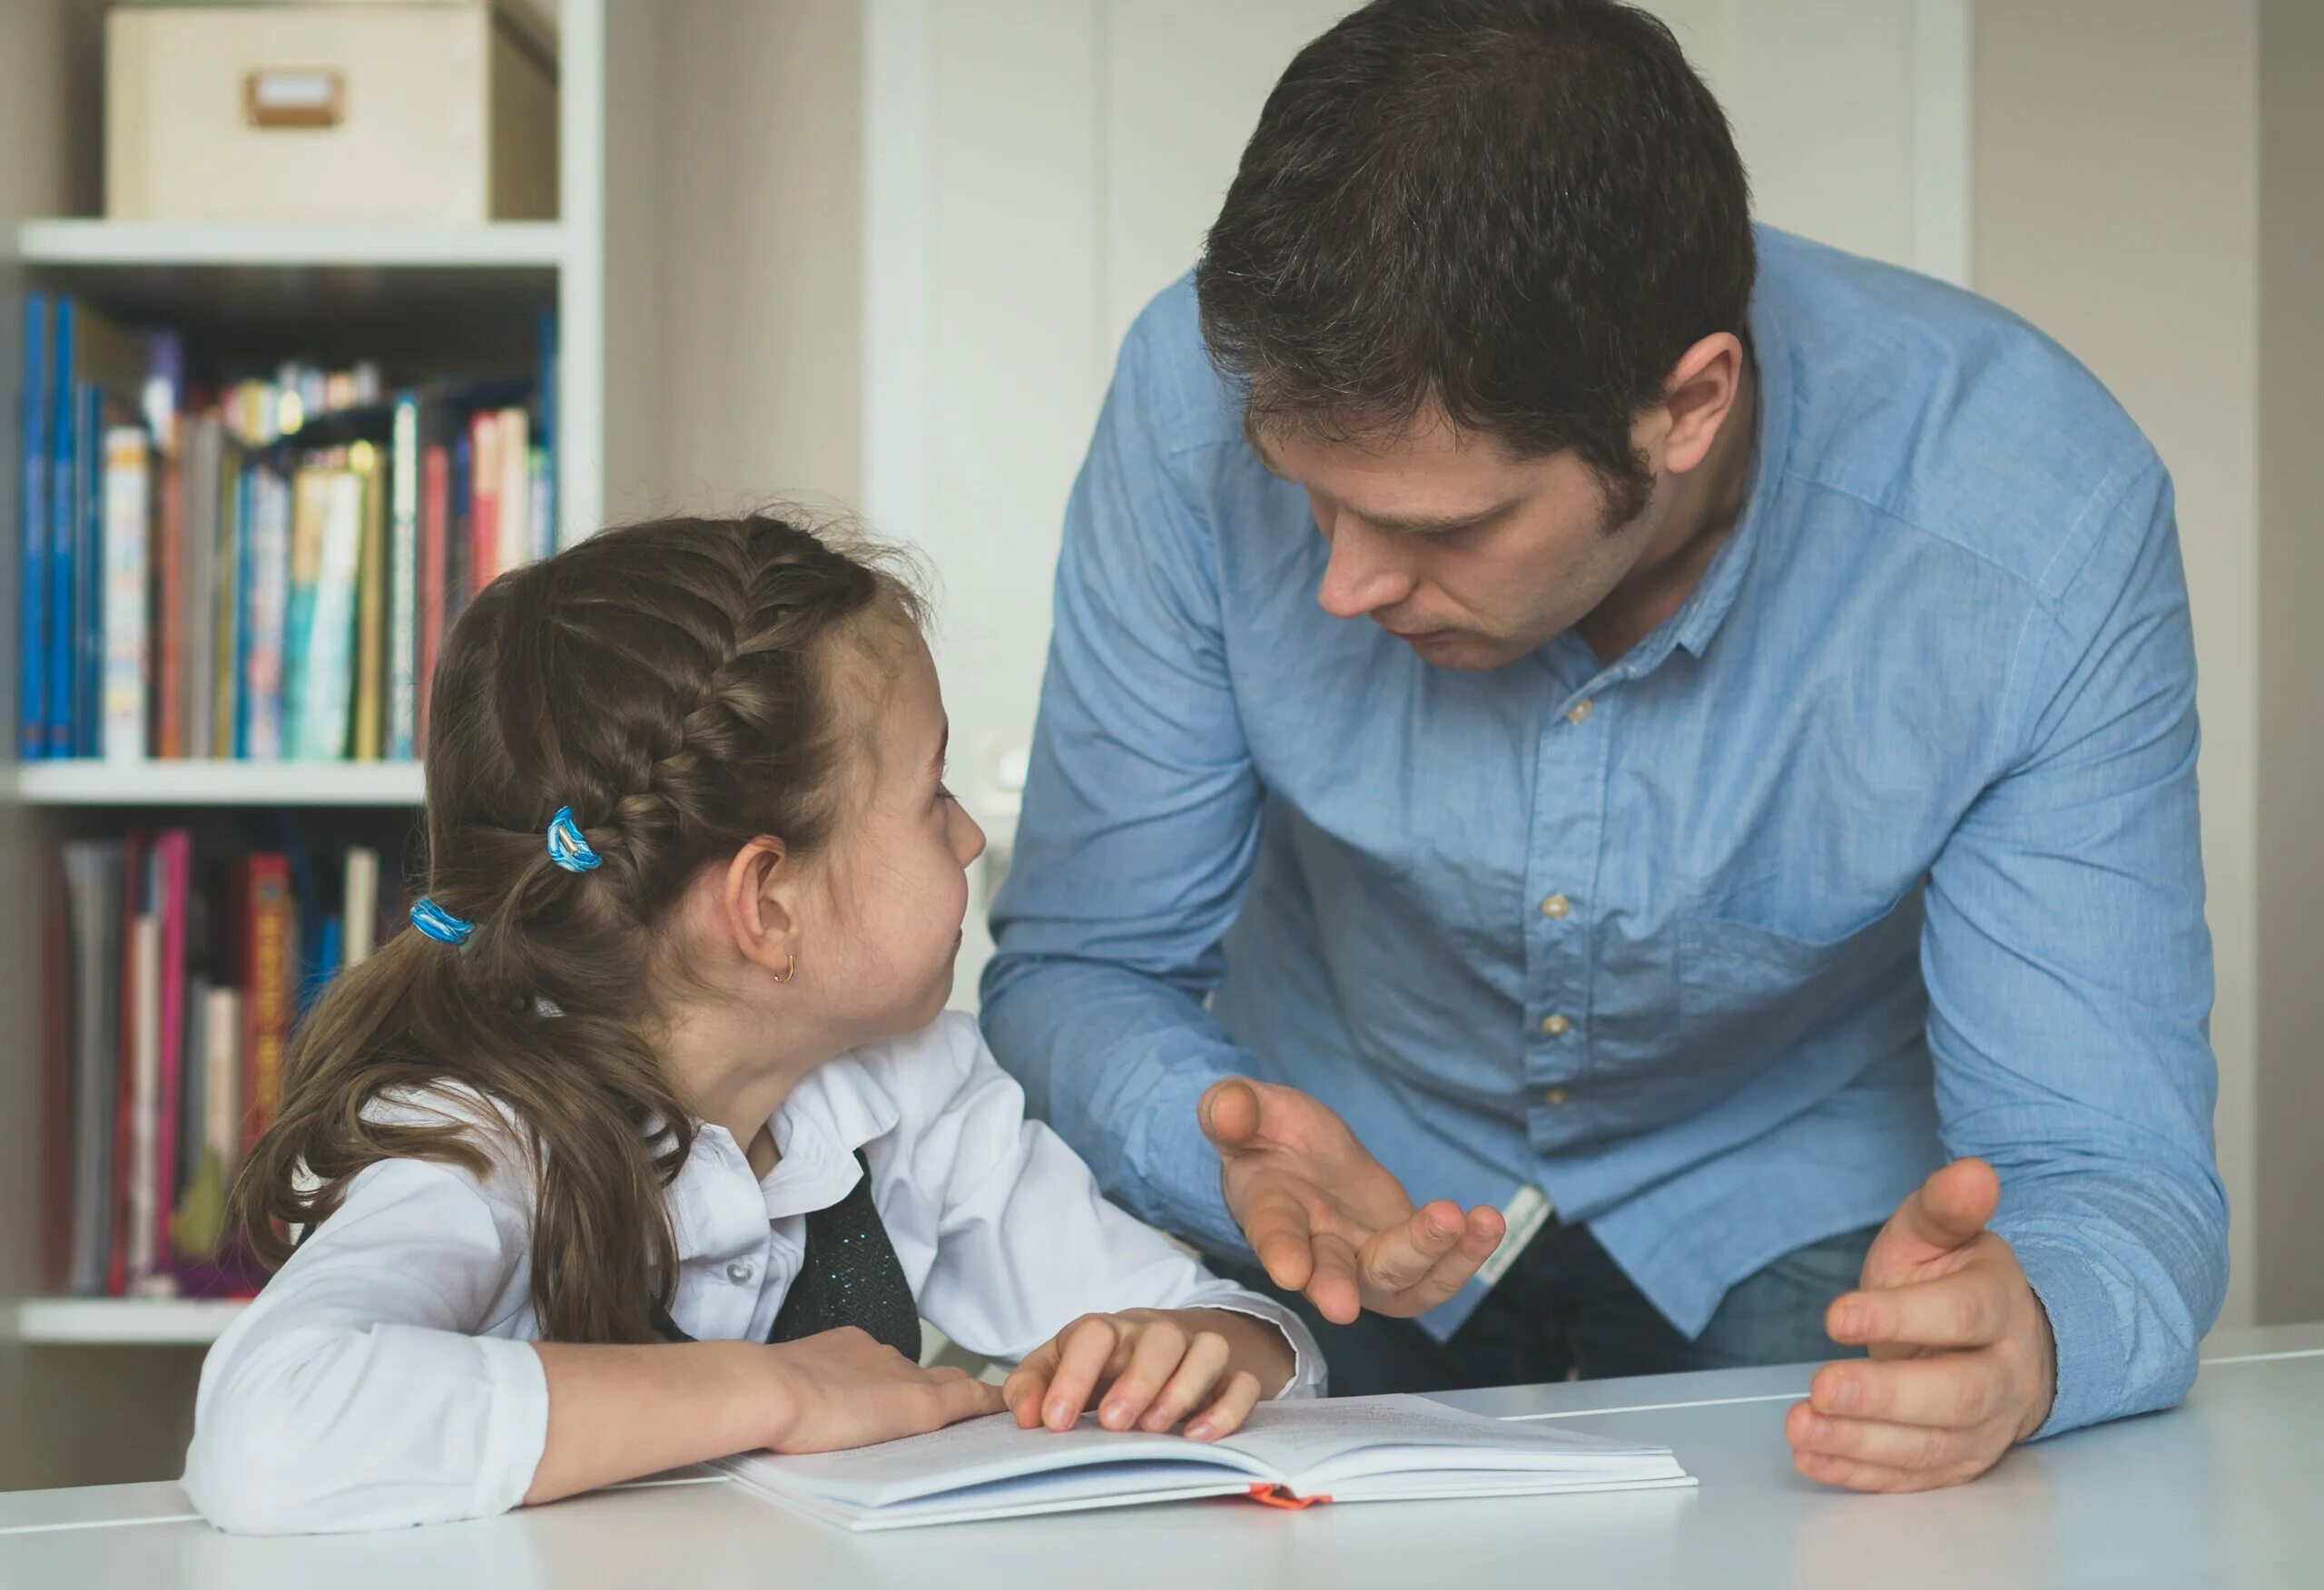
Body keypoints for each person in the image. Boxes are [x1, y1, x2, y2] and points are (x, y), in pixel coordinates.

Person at [983, 0, 2226, 1494]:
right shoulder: (1190, 400)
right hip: (1325, 1172)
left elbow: (2109, 1168)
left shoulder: (2030, 527)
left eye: (1442, 526)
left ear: (1687, 404)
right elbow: (1081, 965)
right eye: (1308, 498)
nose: (1342, 586)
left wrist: (2032, 1337)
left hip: (1787, 1186)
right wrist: (1208, 1145)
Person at [182, 515, 1333, 1536]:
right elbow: (269, 1430)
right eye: (932, 795)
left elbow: (1224, 1324)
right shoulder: (481, 1137)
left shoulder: (912, 1084)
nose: (972, 836)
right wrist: (780, 1390)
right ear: (767, 905)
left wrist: (1206, 1354)